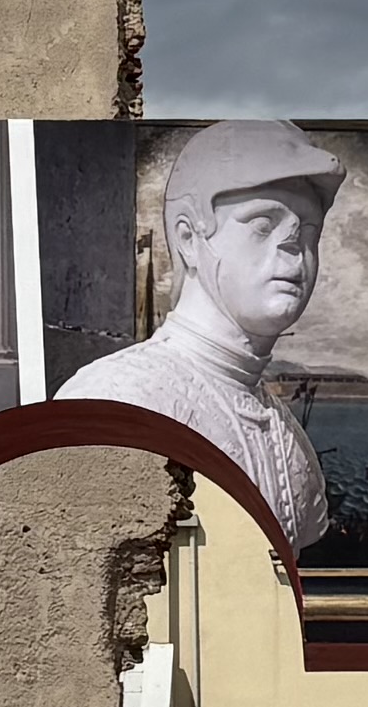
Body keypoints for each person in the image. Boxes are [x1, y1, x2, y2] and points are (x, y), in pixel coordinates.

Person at [61, 117, 343, 548]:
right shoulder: (116, 402)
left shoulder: (290, 439)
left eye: (309, 232)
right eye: (263, 225)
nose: (293, 248)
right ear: (190, 239)